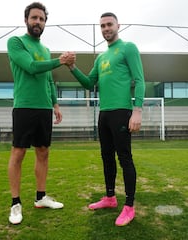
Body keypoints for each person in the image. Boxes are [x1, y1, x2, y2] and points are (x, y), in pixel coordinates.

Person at [66, 12, 145, 226]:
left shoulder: (128, 48)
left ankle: (129, 206)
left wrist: (137, 110)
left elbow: (139, 80)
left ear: (118, 25)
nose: (106, 28)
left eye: (109, 24)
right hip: (104, 114)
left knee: (124, 158)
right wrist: (72, 67)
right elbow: (88, 83)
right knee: (106, 157)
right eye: (102, 25)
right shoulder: (101, 57)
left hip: (122, 112)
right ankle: (110, 198)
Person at [6, 2, 75, 225]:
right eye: (34, 18)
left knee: (43, 152)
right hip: (25, 106)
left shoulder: (45, 50)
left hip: (44, 108)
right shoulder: (16, 42)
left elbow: (47, 80)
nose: (38, 22)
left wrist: (55, 104)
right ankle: (15, 203)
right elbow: (32, 68)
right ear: (26, 19)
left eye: (42, 19)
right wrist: (60, 61)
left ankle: (40, 197)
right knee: (18, 153)